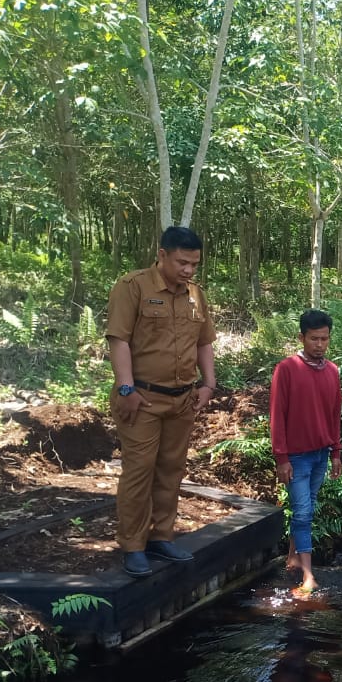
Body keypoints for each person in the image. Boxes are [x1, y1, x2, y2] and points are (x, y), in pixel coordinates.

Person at [106, 225, 217, 578]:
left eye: (194, 265)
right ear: (162, 255)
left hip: (182, 399)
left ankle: (161, 536)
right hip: (141, 398)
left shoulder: (196, 295)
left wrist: (209, 384)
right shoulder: (132, 287)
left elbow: (204, 342)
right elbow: (118, 339)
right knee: (139, 471)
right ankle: (133, 545)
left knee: (171, 469)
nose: (188, 270)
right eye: (182, 262)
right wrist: (126, 388)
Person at [270, 309, 342, 597]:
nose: (320, 344)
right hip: (296, 456)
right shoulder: (286, 369)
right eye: (314, 338)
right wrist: (281, 458)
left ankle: (292, 557)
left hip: (320, 453)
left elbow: (335, 415)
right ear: (301, 337)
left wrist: (336, 452)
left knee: (307, 507)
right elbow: (277, 415)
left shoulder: (332, 371)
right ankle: (308, 576)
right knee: (303, 512)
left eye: (324, 339)